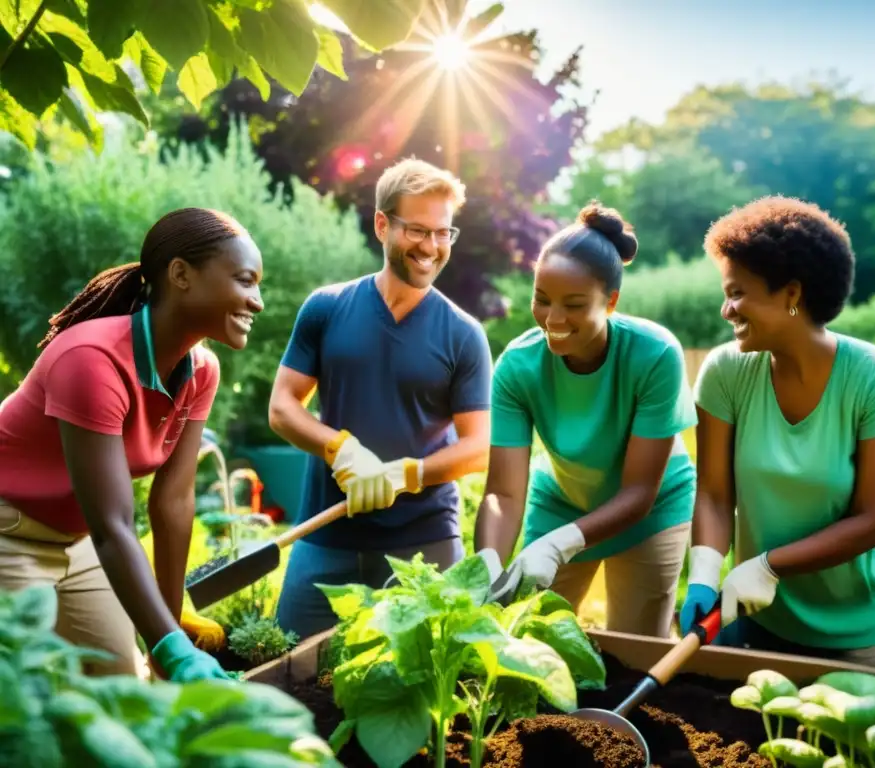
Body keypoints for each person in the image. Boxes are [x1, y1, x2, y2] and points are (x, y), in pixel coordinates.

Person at [0, 207, 265, 680]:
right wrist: (172, 649)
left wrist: (170, 628)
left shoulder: (201, 371)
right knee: (25, 703)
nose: (257, 301)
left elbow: (173, 501)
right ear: (181, 274)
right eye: (245, 281)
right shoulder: (91, 359)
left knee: (126, 688)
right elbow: (113, 522)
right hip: (9, 535)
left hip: (77, 541)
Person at [679, 196, 875, 671]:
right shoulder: (726, 371)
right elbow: (712, 494)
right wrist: (706, 575)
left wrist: (768, 566)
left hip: (865, 635)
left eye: (736, 293)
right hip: (760, 621)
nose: (725, 310)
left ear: (791, 294)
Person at [269, 157, 492, 640]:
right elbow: (283, 407)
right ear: (381, 224)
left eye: (443, 233)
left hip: (423, 543)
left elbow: (478, 447)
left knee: (421, 691)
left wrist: (404, 473)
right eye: (418, 230)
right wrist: (341, 450)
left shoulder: (463, 334)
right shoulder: (326, 309)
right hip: (325, 532)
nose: (431, 247)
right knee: (288, 674)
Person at [474, 202, 697, 639]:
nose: (553, 320)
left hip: (650, 509)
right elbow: (503, 490)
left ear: (610, 301)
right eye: (542, 300)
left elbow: (638, 492)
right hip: (562, 501)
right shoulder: (518, 366)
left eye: (573, 305)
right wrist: (487, 562)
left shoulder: (654, 355)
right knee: (530, 637)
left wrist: (560, 545)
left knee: (635, 649)